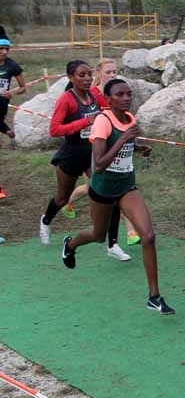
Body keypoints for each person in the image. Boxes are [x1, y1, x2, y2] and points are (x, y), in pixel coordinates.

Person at [60, 79, 174, 314]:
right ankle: (70, 244)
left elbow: (123, 148)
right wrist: (123, 140)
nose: (126, 98)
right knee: (98, 235)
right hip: (102, 189)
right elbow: (99, 164)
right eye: (119, 94)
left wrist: (136, 148)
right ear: (108, 99)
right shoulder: (102, 122)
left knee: (149, 237)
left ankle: (154, 296)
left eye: (128, 94)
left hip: (126, 187)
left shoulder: (130, 119)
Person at [38, 61, 122, 257]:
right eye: (81, 75)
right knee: (62, 198)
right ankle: (46, 220)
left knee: (110, 196)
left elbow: (107, 114)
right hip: (72, 155)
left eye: (89, 74)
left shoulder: (94, 95)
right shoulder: (66, 100)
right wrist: (85, 122)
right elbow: (54, 129)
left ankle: (113, 244)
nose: (86, 78)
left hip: (94, 153)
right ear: (70, 77)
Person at [62, 58, 139, 253]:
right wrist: (87, 123)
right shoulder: (93, 95)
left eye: (115, 71)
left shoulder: (123, 103)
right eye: (109, 72)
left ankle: (128, 235)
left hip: (121, 170)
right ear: (99, 73)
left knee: (123, 200)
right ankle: (67, 202)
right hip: (91, 151)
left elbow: (122, 131)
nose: (112, 75)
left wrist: (134, 146)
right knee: (91, 192)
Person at [0, 27, 25, 202]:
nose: (4, 52)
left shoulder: (12, 65)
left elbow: (24, 87)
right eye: (0, 49)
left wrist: (12, 92)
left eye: (6, 49)